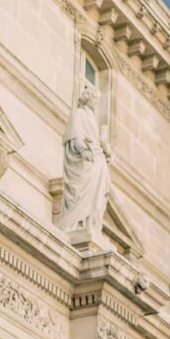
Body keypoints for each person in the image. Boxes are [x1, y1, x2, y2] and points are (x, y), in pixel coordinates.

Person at [60, 84, 110, 234]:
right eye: (94, 97)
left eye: (97, 99)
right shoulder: (78, 113)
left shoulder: (92, 119)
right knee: (81, 193)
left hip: (97, 160)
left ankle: (90, 222)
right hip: (85, 161)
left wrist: (106, 149)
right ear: (87, 97)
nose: (96, 101)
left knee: (98, 193)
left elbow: (94, 140)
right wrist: (82, 149)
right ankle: (76, 222)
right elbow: (73, 134)